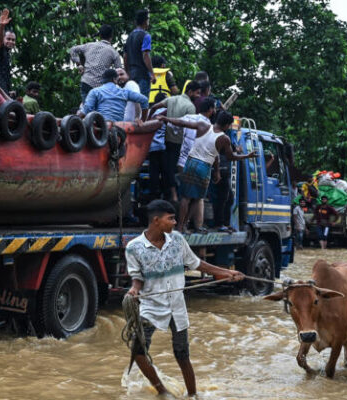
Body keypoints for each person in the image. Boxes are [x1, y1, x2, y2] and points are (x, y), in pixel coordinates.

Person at [125, 199, 244, 397]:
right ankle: (162, 390)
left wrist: (225, 272)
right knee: (137, 352)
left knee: (182, 354)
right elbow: (136, 278)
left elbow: (197, 263)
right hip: (151, 305)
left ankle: (192, 395)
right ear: (156, 220)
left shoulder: (177, 240)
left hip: (177, 306)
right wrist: (134, 290)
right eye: (170, 219)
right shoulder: (133, 247)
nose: (174, 222)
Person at [158, 111, 256, 232]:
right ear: (226, 125)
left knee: (185, 197)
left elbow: (182, 122)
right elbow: (229, 157)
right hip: (204, 167)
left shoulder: (202, 125)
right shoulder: (224, 138)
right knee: (198, 198)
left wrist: (165, 118)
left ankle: (179, 226)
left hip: (190, 162)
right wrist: (247, 156)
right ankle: (184, 225)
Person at [68, 24, 122, 103]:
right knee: (98, 113)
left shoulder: (89, 45)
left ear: (100, 35)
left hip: (86, 82)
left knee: (87, 111)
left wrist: (79, 64)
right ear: (111, 36)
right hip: (99, 87)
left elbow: (72, 50)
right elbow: (119, 72)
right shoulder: (114, 53)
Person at [78, 69, 148, 122]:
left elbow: (86, 110)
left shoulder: (95, 91)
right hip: (119, 128)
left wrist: (74, 120)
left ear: (103, 80)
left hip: (101, 128)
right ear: (115, 79)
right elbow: (144, 100)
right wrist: (142, 120)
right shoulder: (124, 92)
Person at [123, 9, 153, 97]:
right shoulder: (145, 36)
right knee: (143, 102)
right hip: (142, 74)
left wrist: (127, 72)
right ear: (145, 21)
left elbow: (125, 56)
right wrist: (152, 73)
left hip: (132, 74)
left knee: (133, 101)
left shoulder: (130, 36)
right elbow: (146, 55)